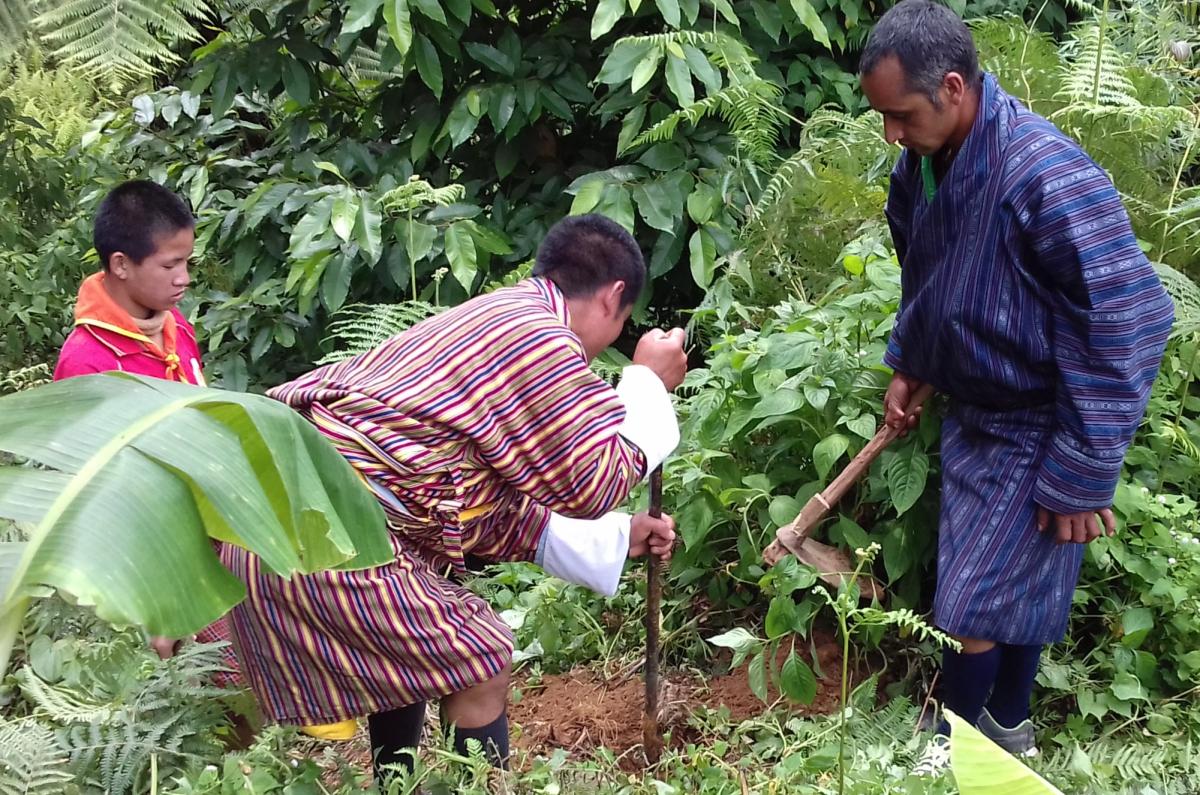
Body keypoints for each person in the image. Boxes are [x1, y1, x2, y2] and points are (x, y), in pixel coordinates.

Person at [221, 213, 685, 780]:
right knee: (482, 658)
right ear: (615, 298)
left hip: (274, 523)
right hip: (329, 535)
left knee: (415, 659)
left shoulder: (490, 319)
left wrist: (617, 536)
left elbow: (469, 498)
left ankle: (398, 787)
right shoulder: (541, 337)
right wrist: (646, 384)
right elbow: (594, 481)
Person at [858, 0, 1173, 772]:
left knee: (971, 598)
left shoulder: (1046, 172)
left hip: (1046, 418)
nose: (891, 135)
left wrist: (1085, 467)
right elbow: (927, 280)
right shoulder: (920, 168)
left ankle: (949, 749)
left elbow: (1131, 317)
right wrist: (914, 362)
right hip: (975, 411)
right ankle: (1007, 723)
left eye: (900, 115)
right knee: (1013, 589)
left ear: (955, 87)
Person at [53, 179, 240, 683]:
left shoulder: (175, 326)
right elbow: (94, 484)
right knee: (214, 676)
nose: (183, 279)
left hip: (209, 528)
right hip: (155, 545)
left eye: (187, 263)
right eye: (169, 265)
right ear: (120, 264)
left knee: (235, 661)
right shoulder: (88, 361)